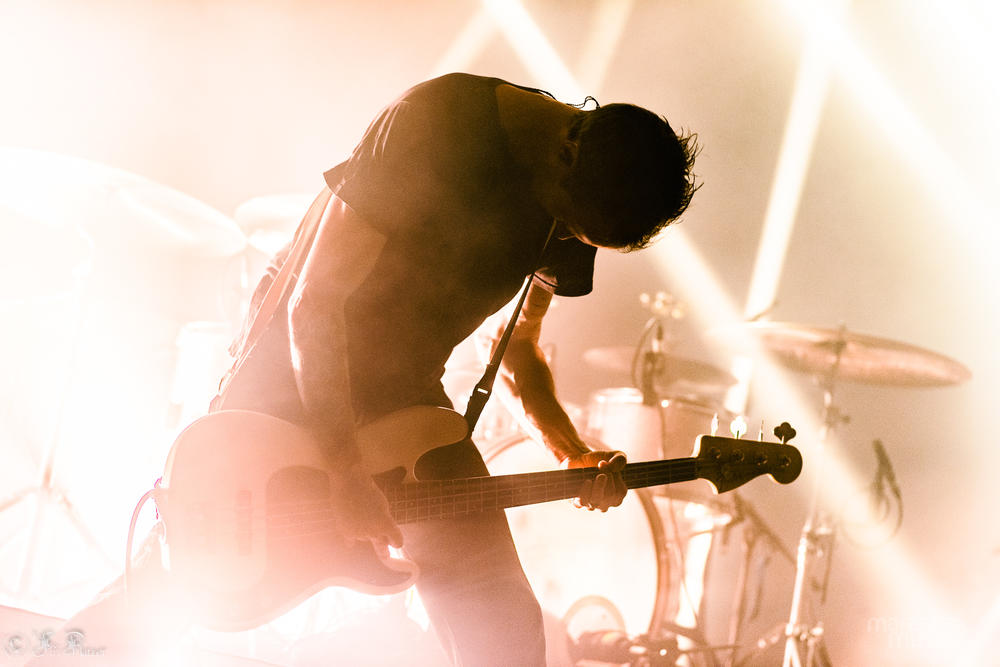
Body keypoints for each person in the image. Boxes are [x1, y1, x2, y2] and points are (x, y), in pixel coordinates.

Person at [26, 72, 699, 666]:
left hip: (408, 403)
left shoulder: (580, 199)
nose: (568, 240)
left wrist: (572, 451)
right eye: (574, 227)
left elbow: (518, 345)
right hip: (290, 378)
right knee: (173, 594)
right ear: (569, 146)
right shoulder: (439, 123)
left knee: (504, 625)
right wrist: (346, 469)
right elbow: (315, 306)